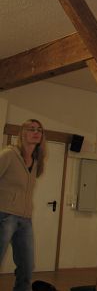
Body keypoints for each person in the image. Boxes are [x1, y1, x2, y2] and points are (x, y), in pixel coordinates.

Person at [0, 119, 48, 291]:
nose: (36, 132)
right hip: (4, 215)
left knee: (27, 267)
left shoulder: (36, 161)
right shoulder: (9, 154)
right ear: (22, 133)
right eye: (31, 129)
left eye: (39, 130)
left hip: (25, 219)